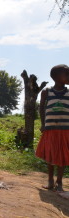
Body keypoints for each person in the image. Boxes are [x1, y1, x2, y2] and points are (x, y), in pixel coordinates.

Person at [36, 64, 69, 192]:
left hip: (65, 130)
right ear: (56, 77)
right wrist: (43, 124)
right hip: (50, 129)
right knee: (50, 155)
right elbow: (41, 108)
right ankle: (50, 180)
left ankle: (59, 182)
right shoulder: (46, 92)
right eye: (67, 74)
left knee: (63, 156)